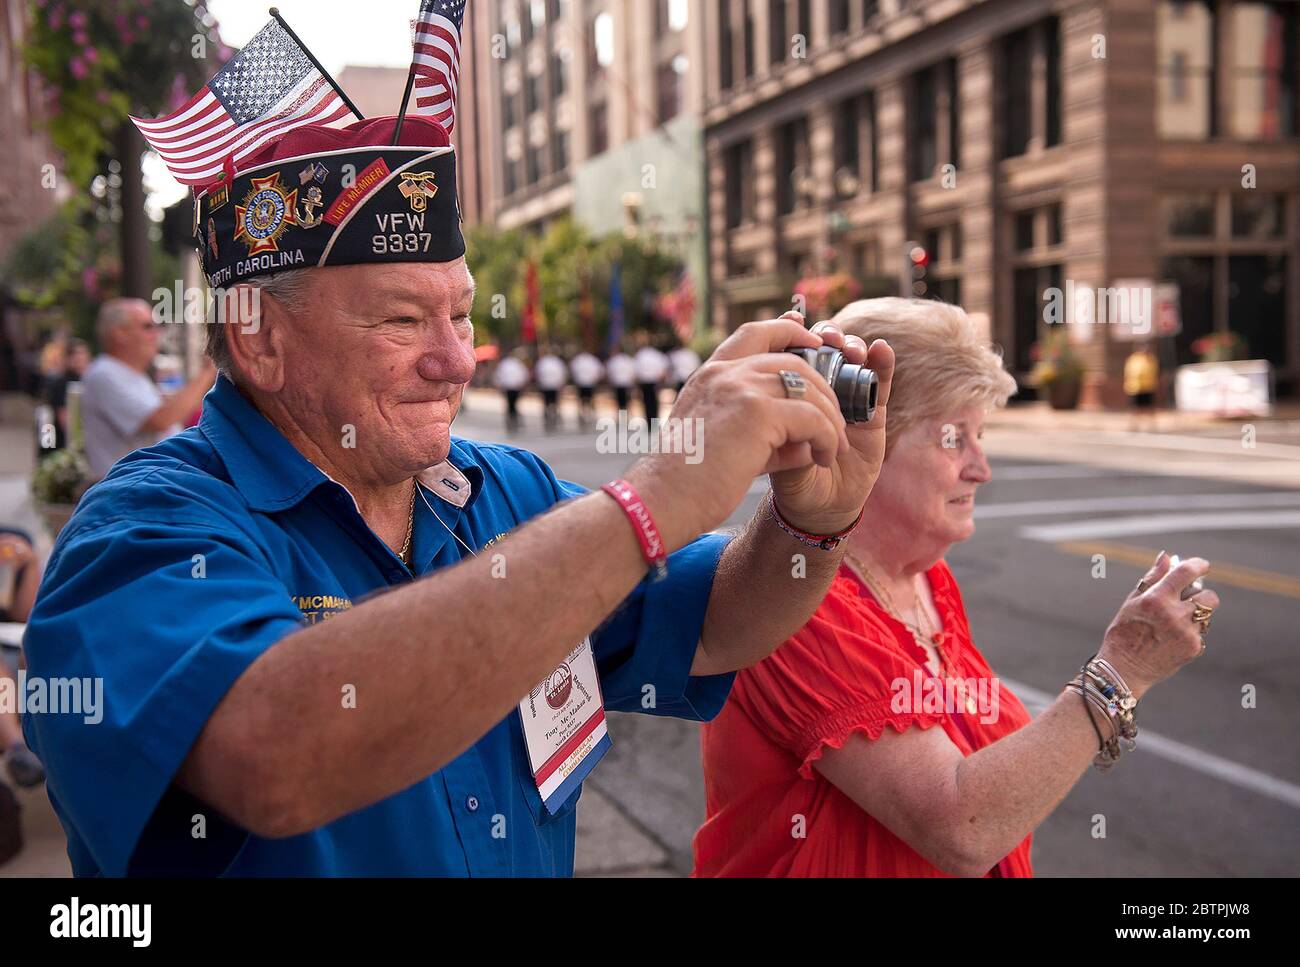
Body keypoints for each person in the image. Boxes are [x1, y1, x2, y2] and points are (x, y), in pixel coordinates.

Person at [23, 104, 896, 876]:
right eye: (402, 320)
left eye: (462, 314)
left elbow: (709, 626)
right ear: (258, 343)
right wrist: (650, 501)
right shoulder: (142, 530)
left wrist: (811, 522)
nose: (453, 362)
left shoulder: (498, 488)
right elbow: (273, 755)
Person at [693, 298, 1218, 877]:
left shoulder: (925, 578)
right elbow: (960, 825)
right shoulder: (794, 600)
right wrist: (1122, 670)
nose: (981, 467)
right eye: (953, 439)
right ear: (861, 440)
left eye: (981, 434)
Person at [80, 299, 215, 478]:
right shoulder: (104, 373)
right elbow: (160, 419)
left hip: (147, 485)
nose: (157, 333)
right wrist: (209, 371)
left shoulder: (130, 374)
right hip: (133, 492)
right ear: (119, 334)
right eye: (147, 327)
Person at [0, 529, 45, 790]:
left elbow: (26, 615)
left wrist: (28, 564)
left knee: (38, 647)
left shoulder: (13, 538)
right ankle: (18, 747)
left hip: (12, 645)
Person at [1124, 341, 1159, 432]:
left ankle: (1152, 426)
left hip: (1148, 386)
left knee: (1149, 408)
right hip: (1135, 387)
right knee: (1135, 408)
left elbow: (1155, 371)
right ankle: (1133, 426)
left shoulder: (1151, 359)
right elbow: (1128, 372)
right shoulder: (1133, 359)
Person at [492, 350, 530, 432]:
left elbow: (498, 376)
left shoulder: (505, 364)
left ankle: (512, 420)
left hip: (509, 387)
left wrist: (499, 386)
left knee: (510, 405)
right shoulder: (517, 363)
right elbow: (524, 375)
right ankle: (513, 420)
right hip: (514, 387)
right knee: (513, 404)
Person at [634, 340, 670, 421]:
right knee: (654, 402)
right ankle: (655, 420)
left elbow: (636, 370)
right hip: (655, 381)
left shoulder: (640, 355)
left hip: (644, 382)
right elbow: (664, 368)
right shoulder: (657, 355)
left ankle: (649, 421)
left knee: (647, 402)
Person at [534, 348, 568, 432]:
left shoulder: (543, 362)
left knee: (548, 402)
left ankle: (549, 415)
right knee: (553, 402)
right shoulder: (556, 362)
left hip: (547, 385)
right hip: (552, 385)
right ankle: (552, 415)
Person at [569, 349, 604, 427]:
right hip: (582, 382)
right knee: (583, 399)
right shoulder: (580, 360)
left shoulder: (591, 360)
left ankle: (589, 411)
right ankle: (583, 412)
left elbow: (599, 370)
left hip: (589, 382)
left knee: (589, 398)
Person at [606, 348, 635, 413]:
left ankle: (623, 415)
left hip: (618, 383)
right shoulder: (627, 359)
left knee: (620, 401)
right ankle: (625, 414)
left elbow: (609, 372)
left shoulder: (614, 360)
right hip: (626, 383)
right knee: (626, 400)